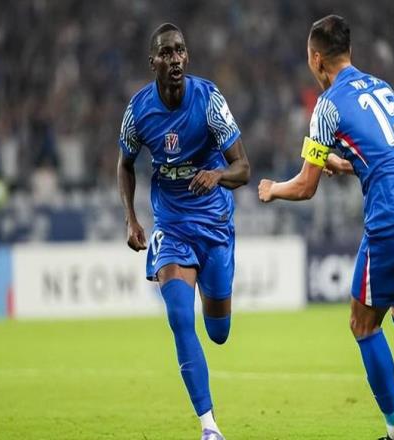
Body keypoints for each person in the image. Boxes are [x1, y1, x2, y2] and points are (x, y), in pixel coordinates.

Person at [258, 15, 394, 440]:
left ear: (316, 59)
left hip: (392, 219)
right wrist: (345, 163)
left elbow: (305, 187)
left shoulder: (327, 105)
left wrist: (272, 189)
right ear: (348, 52)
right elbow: (389, 156)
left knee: (363, 324)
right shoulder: (382, 87)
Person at [117, 23, 250, 440]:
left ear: (186, 57)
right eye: (166, 53)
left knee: (219, 333)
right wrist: (131, 217)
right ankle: (209, 427)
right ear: (153, 61)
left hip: (214, 226)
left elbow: (243, 168)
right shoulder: (139, 111)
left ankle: (218, 294)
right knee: (178, 317)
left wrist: (218, 175)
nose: (174, 59)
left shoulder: (209, 100)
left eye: (179, 51)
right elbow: (124, 164)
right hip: (172, 226)